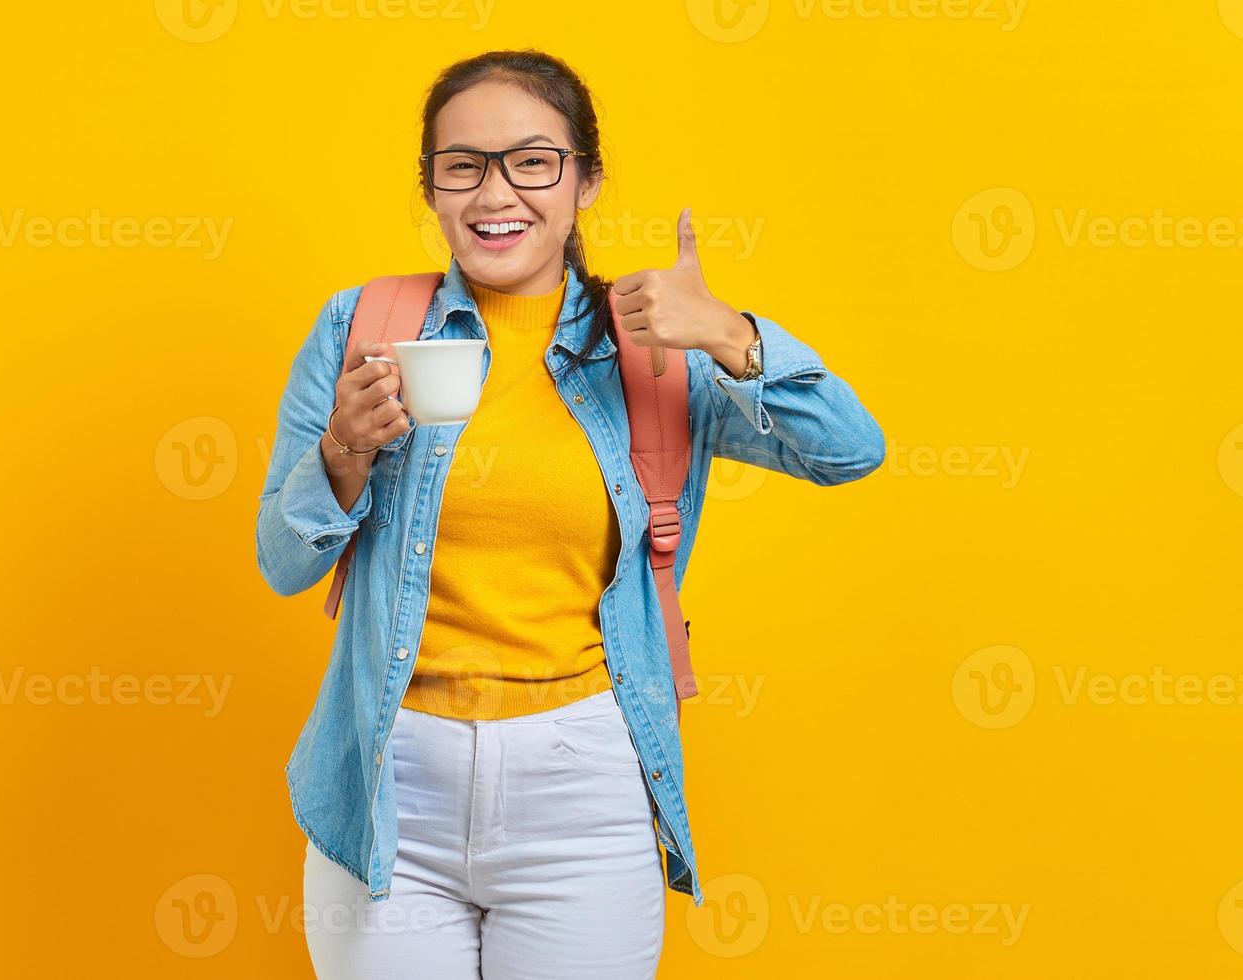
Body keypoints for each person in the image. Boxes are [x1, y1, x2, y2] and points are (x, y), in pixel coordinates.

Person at [256, 48, 886, 980]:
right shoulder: (361, 326)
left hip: (583, 790)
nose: (493, 192)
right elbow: (283, 563)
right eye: (461, 165)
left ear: (585, 180)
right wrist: (344, 450)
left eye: (533, 160)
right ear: (430, 187)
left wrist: (729, 332)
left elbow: (848, 450)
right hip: (388, 781)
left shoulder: (652, 345)